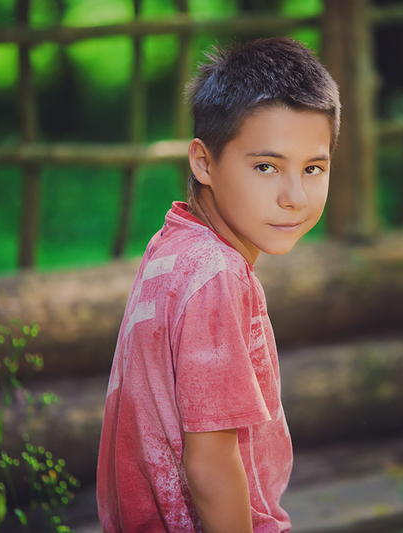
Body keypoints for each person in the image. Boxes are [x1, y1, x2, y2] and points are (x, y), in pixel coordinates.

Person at [96, 37, 340, 533]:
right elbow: (210, 465)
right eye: (266, 167)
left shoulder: (173, 245)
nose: (295, 196)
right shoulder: (217, 276)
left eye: (313, 168)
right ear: (204, 162)